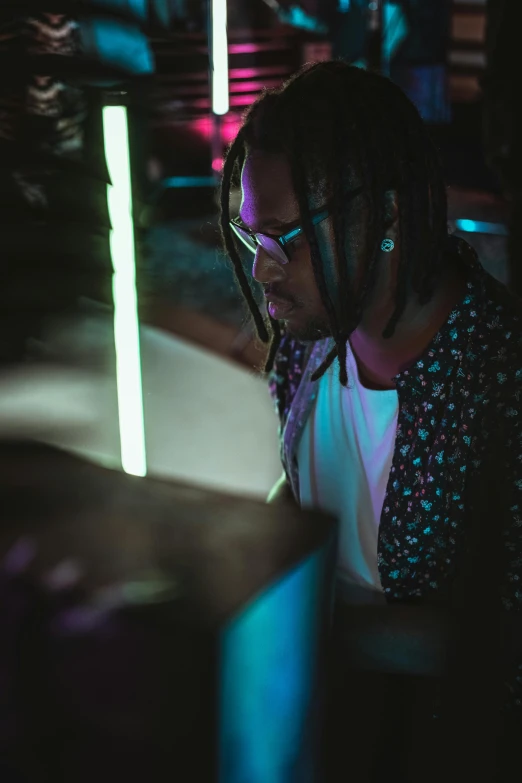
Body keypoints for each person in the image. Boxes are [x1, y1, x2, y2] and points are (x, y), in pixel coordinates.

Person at [219, 60, 522, 778]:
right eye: (249, 235)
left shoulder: (498, 382)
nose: (262, 272)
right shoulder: (313, 334)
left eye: (284, 238)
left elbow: (500, 647)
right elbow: (306, 491)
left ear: (385, 216)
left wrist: (305, 618)